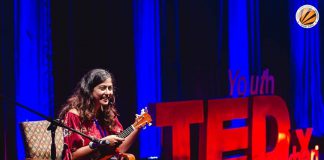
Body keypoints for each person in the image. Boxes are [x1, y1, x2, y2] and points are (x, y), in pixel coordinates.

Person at [58, 68, 139, 160]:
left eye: (110, 88)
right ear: (89, 90)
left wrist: (136, 127)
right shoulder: (74, 115)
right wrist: (101, 143)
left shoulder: (109, 114)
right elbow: (72, 156)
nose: (108, 92)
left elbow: (119, 149)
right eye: (103, 88)